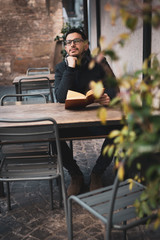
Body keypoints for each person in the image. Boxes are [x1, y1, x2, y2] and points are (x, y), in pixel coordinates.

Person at [54, 28, 119, 196]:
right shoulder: (61, 68)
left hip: (97, 120)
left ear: (85, 45)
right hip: (70, 123)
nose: (72, 45)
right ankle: (76, 175)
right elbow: (61, 97)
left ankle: (97, 172)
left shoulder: (100, 62)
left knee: (118, 130)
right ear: (66, 47)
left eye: (76, 41)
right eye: (68, 42)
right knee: (52, 135)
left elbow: (114, 89)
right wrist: (70, 68)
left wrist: (106, 97)